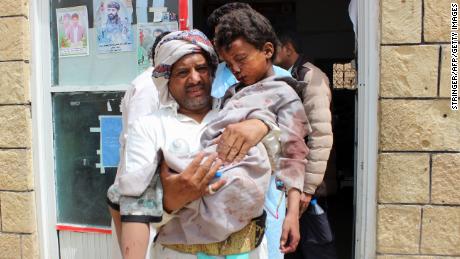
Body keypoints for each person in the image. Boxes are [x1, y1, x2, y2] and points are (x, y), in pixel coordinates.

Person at [108, 30, 276, 259]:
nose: (195, 79)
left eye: (202, 69)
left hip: (251, 251)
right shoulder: (150, 127)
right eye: (183, 72)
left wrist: (260, 125)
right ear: (166, 79)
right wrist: (170, 201)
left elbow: (284, 149)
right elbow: (133, 204)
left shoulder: (238, 110)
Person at [207, 4, 293, 259]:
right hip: (228, 176)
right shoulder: (216, 76)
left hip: (269, 180)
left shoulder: (281, 80)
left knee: (269, 241)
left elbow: (297, 140)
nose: (235, 67)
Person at [274, 32, 336, 259]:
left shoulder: (310, 77)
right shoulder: (286, 76)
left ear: (288, 48)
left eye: (274, 48)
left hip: (309, 186)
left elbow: (320, 136)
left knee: (316, 247)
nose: (268, 55)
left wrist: (308, 189)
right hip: (291, 182)